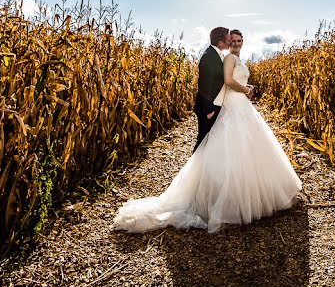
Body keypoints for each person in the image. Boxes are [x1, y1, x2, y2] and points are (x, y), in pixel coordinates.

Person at [112, 29, 302, 234]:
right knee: (228, 148)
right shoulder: (228, 57)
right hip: (233, 106)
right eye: (233, 40)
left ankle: (249, 195)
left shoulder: (233, 58)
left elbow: (228, 82)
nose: (236, 43)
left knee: (249, 147)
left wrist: (246, 86)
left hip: (241, 106)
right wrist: (246, 90)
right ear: (227, 42)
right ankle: (224, 200)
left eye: (239, 40)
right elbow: (228, 81)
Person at [192, 26, 230, 152]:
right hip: (207, 108)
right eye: (228, 39)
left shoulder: (217, 54)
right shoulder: (209, 57)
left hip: (214, 104)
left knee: (210, 139)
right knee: (203, 139)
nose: (230, 41)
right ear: (220, 43)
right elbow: (204, 84)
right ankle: (194, 169)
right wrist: (209, 109)